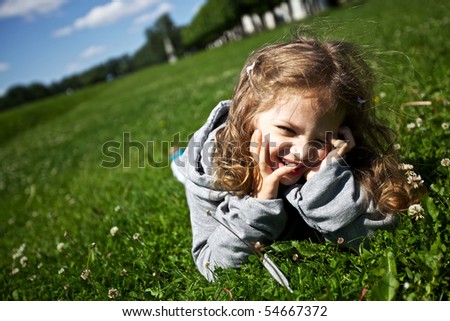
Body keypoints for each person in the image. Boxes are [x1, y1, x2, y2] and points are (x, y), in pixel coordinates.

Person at [171, 36, 420, 282]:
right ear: (248, 115)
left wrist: (327, 184)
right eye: (287, 130)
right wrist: (258, 204)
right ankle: (178, 159)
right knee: (184, 168)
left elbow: (379, 237)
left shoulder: (334, 158)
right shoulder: (210, 168)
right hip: (212, 159)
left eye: (321, 138)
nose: (302, 152)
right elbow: (211, 264)